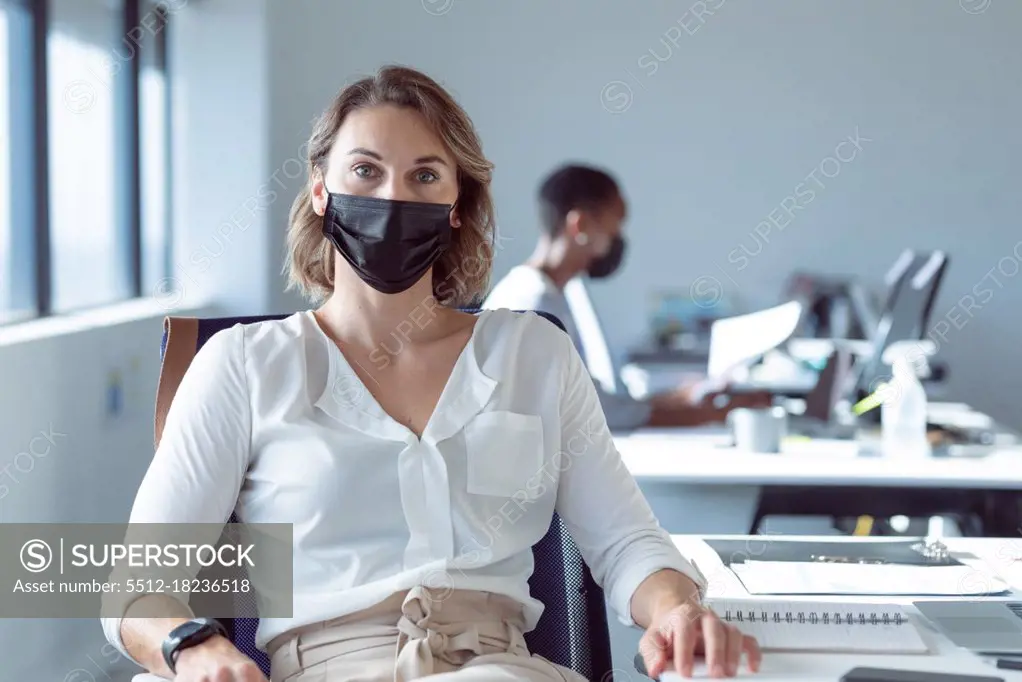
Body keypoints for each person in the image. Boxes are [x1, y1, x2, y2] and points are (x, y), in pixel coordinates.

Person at [100, 66, 761, 682]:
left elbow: (626, 543)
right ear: (321, 188)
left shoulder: (533, 355)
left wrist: (676, 608)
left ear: (456, 204)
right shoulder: (245, 366)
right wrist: (193, 647)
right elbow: (137, 586)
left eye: (423, 176)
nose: (392, 196)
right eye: (365, 170)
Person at [483, 164, 771, 431]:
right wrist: (715, 414)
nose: (617, 240)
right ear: (580, 226)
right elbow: (601, 414)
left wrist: (681, 396)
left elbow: (594, 398)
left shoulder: (549, 293)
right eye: (615, 226)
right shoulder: (533, 305)